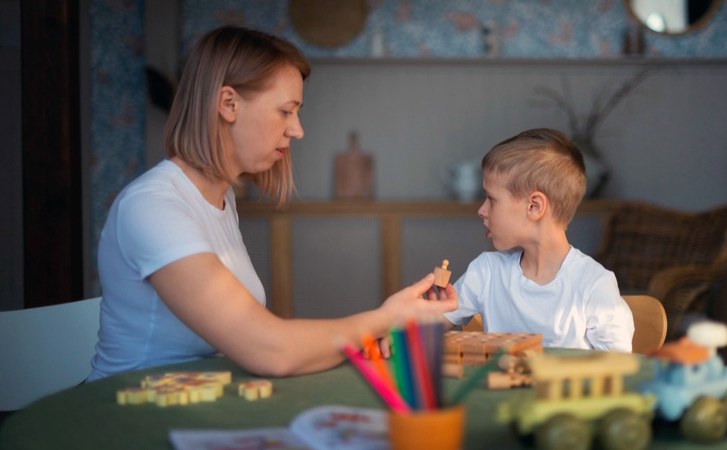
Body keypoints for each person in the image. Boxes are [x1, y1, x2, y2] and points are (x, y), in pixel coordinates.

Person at [87, 26, 457, 382]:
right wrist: (386, 319)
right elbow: (271, 351)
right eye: (285, 111)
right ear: (228, 103)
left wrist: (373, 329)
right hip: (128, 408)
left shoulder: (220, 198)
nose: (297, 130)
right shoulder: (153, 208)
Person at [443, 128, 634, 352]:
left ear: (534, 207)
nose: (481, 210)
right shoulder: (486, 272)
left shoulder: (594, 286)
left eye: (491, 199)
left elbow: (620, 370)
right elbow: (428, 325)